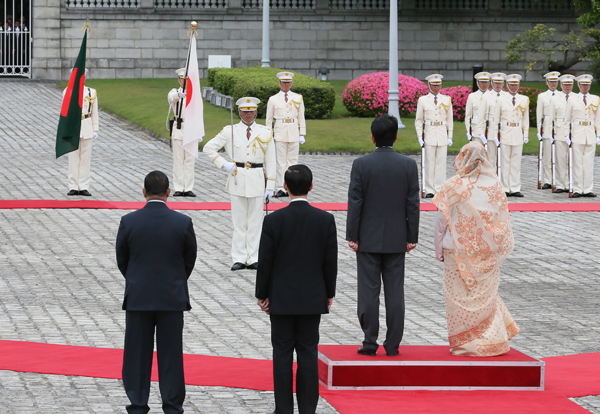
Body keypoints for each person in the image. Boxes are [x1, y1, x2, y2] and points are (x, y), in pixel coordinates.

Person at [256, 164, 337, 414]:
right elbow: (329, 261)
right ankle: (307, 409)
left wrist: (262, 294)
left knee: (281, 354)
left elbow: (265, 261)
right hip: (312, 297)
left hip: (281, 298)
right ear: (311, 187)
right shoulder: (325, 219)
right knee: (308, 354)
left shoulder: (273, 220)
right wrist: (329, 293)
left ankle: (283, 409)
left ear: (285, 187)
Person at [116, 170, 197, 414]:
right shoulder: (182, 222)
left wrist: (136, 280)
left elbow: (122, 259)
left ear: (143, 192)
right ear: (168, 193)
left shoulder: (129, 221)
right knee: (171, 354)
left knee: (137, 354)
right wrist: (175, 280)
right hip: (172, 297)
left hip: (139, 296)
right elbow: (189, 259)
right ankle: (172, 404)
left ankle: (138, 403)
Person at [433, 142, 520, 356]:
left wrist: (438, 251)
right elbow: (502, 222)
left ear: (462, 159)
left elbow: (441, 224)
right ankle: (492, 340)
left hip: (456, 251)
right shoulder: (495, 186)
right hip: (486, 251)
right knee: (484, 296)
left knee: (458, 297)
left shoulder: (453, 186)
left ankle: (465, 344)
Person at [347, 114, 420, 357]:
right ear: (396, 137)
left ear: (372, 137)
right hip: (397, 238)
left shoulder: (361, 164)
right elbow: (413, 204)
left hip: (367, 237)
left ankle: (369, 341)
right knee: (395, 291)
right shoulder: (408, 165)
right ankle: (393, 344)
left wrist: (352, 235)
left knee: (368, 291)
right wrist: (412, 236)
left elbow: (355, 203)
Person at [203, 97, 276, 270]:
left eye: (252, 111)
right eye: (245, 111)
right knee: (239, 221)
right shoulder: (230, 131)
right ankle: (239, 257)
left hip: (258, 179)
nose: (249, 114)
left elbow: (271, 160)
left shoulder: (265, 132)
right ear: (239, 112)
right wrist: (223, 163)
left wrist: (271, 186)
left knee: (255, 221)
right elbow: (208, 148)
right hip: (237, 178)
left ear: (256, 111)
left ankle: (254, 257)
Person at [266, 72, 306, 198]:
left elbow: (301, 117)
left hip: (293, 130)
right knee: (280, 162)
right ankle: (280, 187)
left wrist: (302, 133)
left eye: (288, 82)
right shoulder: (273, 99)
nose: (286, 84)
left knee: (293, 161)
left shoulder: (298, 98)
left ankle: (292, 187)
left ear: (291, 83)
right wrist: (269, 133)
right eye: (284, 82)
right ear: (279, 83)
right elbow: (269, 119)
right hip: (279, 131)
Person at [489, 73, 529, 197]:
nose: (513, 87)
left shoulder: (523, 99)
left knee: (516, 162)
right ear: (507, 85)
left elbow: (525, 119)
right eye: (511, 84)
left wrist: (526, 133)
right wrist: (495, 134)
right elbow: (496, 118)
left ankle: (515, 187)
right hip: (505, 131)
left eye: (515, 84)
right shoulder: (501, 99)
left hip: (517, 131)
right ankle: (505, 188)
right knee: (505, 161)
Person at [415, 73, 454, 198]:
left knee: (441, 163)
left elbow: (449, 120)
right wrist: (420, 136)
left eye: (438, 85)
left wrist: (450, 136)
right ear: (429, 85)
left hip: (442, 133)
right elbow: (419, 120)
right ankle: (429, 189)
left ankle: (440, 188)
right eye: (434, 85)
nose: (436, 87)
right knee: (429, 162)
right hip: (430, 132)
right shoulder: (423, 100)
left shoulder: (446, 99)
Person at [65, 68, 98, 197]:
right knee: (73, 159)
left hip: (87, 125)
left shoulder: (91, 92)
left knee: (85, 158)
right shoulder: (68, 91)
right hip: (73, 127)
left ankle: (83, 186)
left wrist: (95, 129)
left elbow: (94, 112)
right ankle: (73, 186)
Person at [168, 68, 197, 197]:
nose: (183, 82)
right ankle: (179, 187)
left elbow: (198, 113)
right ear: (178, 80)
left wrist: (199, 132)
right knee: (179, 160)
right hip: (179, 127)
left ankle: (188, 187)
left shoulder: (194, 94)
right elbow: (172, 98)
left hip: (191, 129)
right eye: (181, 79)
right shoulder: (175, 92)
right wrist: (180, 95)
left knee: (190, 160)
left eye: (186, 80)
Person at [549, 74, 576, 193]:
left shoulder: (576, 97)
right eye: (565, 84)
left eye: (570, 84)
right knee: (560, 159)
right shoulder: (555, 98)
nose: (568, 86)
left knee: (573, 160)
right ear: (561, 85)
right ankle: (561, 184)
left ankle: (572, 183)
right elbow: (551, 118)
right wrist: (551, 133)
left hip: (574, 131)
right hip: (559, 131)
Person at [478, 72, 508, 171]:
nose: (498, 85)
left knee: (504, 158)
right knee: (490, 157)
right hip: (490, 130)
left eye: (500, 83)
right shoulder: (486, 96)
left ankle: (502, 181)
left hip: (504, 130)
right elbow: (481, 116)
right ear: (492, 83)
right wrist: (482, 132)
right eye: (496, 82)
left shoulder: (507, 96)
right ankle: (491, 181)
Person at [537, 71, 561, 190]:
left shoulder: (562, 95)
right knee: (547, 156)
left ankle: (558, 179)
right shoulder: (542, 96)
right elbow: (539, 114)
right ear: (547, 82)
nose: (553, 84)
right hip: (546, 127)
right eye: (551, 81)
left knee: (559, 155)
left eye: (555, 81)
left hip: (559, 127)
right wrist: (539, 130)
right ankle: (547, 180)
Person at [465, 71, 491, 146]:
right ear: (477, 83)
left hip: (490, 130)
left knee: (490, 156)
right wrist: (468, 131)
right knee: (477, 155)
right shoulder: (472, 96)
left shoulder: (493, 96)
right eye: (482, 82)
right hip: (476, 130)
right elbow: (468, 116)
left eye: (486, 82)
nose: (484, 84)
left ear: (489, 83)